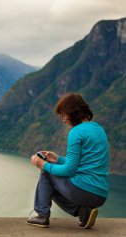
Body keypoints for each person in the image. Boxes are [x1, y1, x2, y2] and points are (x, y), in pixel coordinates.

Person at [27, 93, 109, 229]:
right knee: (53, 178)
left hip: (84, 190)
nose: (63, 120)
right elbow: (83, 164)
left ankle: (41, 215)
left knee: (47, 174)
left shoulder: (76, 132)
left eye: (64, 115)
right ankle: (83, 212)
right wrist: (58, 159)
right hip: (100, 194)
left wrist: (43, 164)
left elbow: (70, 170)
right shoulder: (98, 129)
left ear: (73, 113)